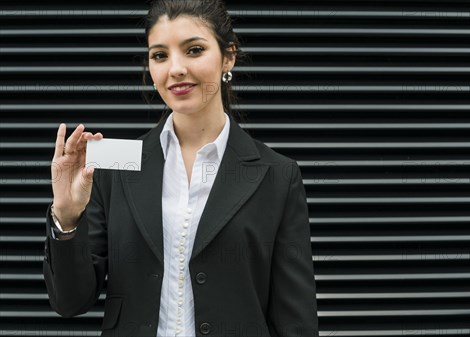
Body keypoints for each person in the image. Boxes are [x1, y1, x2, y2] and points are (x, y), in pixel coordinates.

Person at [43, 0, 319, 336]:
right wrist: (67, 218)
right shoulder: (116, 159)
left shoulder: (276, 174)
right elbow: (70, 302)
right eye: (160, 55)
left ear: (228, 57)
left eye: (194, 50)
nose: (175, 69)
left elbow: (295, 321)